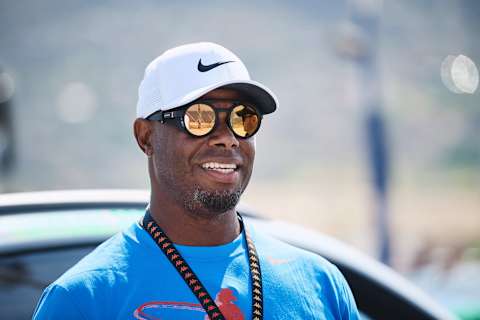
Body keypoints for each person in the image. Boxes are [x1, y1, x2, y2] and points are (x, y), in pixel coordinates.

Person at [33, 42, 360, 319]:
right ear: (145, 136)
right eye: (199, 117)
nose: (228, 139)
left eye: (243, 118)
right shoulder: (82, 300)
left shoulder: (321, 284)